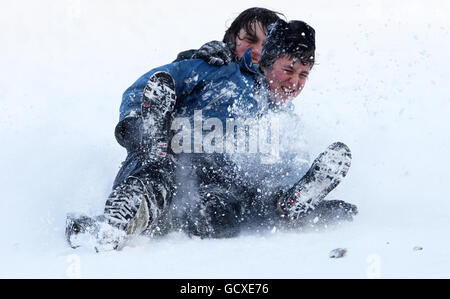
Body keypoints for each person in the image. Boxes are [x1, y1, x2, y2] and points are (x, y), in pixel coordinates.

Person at [90, 19, 358, 250]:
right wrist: (138, 127)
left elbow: (279, 168)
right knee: (158, 178)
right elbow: (146, 87)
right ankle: (121, 219)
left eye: (303, 75)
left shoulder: (285, 121)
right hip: (166, 153)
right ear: (266, 62)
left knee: (223, 214)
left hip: (216, 183)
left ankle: (285, 204)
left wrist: (298, 196)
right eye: (288, 70)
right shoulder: (216, 70)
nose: (295, 82)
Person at [174, 7, 284, 66]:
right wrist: (197, 62)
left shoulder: (271, 86)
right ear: (232, 37)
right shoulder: (212, 59)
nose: (257, 51)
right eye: (250, 40)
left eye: (266, 46)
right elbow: (168, 74)